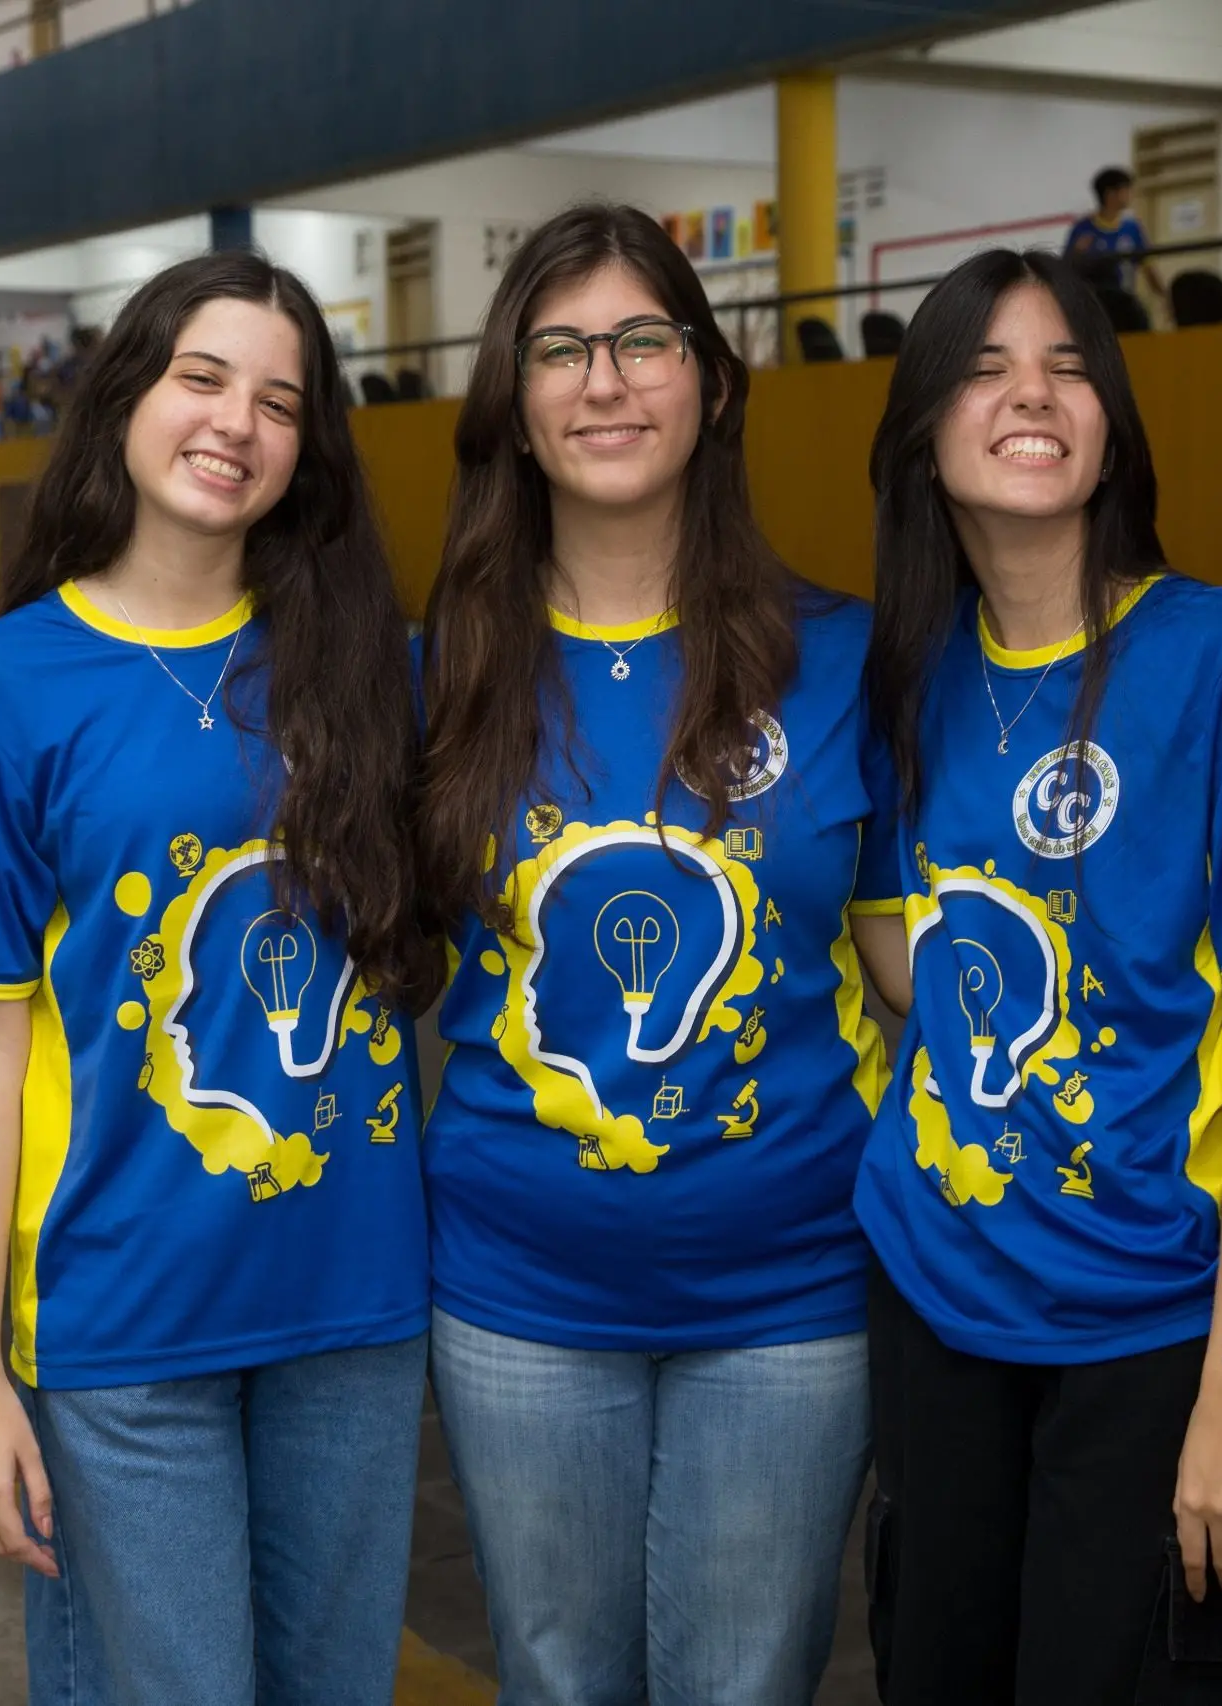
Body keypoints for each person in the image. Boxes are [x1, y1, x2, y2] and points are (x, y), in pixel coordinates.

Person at [0, 251, 435, 1706]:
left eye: (282, 399)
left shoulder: (372, 667)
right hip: (121, 1322)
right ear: (128, 396)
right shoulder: (4, 686)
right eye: (203, 377)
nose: (237, 422)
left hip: (354, 1303)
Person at [413, 201, 908, 1706]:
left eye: (643, 339)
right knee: (559, 1682)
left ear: (711, 380)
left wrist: (1188, 1068)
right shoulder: (438, 675)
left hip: (793, 1292)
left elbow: (915, 958)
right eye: (561, 347)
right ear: (514, 397)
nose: (605, 381)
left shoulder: (846, 660)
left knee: (747, 1685)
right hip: (515, 1289)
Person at [852, 245, 1222, 1704]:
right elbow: (888, 932)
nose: (1032, 394)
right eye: (986, 369)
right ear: (927, 435)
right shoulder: (902, 676)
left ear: (1111, 421)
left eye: (1068, 365)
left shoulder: (1220, 650)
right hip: (936, 1297)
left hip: (1159, 1317)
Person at [1064, 167, 1163, 307]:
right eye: (1126, 189)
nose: (1130, 194)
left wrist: (1164, 297)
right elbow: (1066, 269)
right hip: (1093, 306)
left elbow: (1149, 268)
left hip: (1126, 303)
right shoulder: (1083, 229)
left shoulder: (1133, 228)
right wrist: (1077, 253)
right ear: (1110, 194)